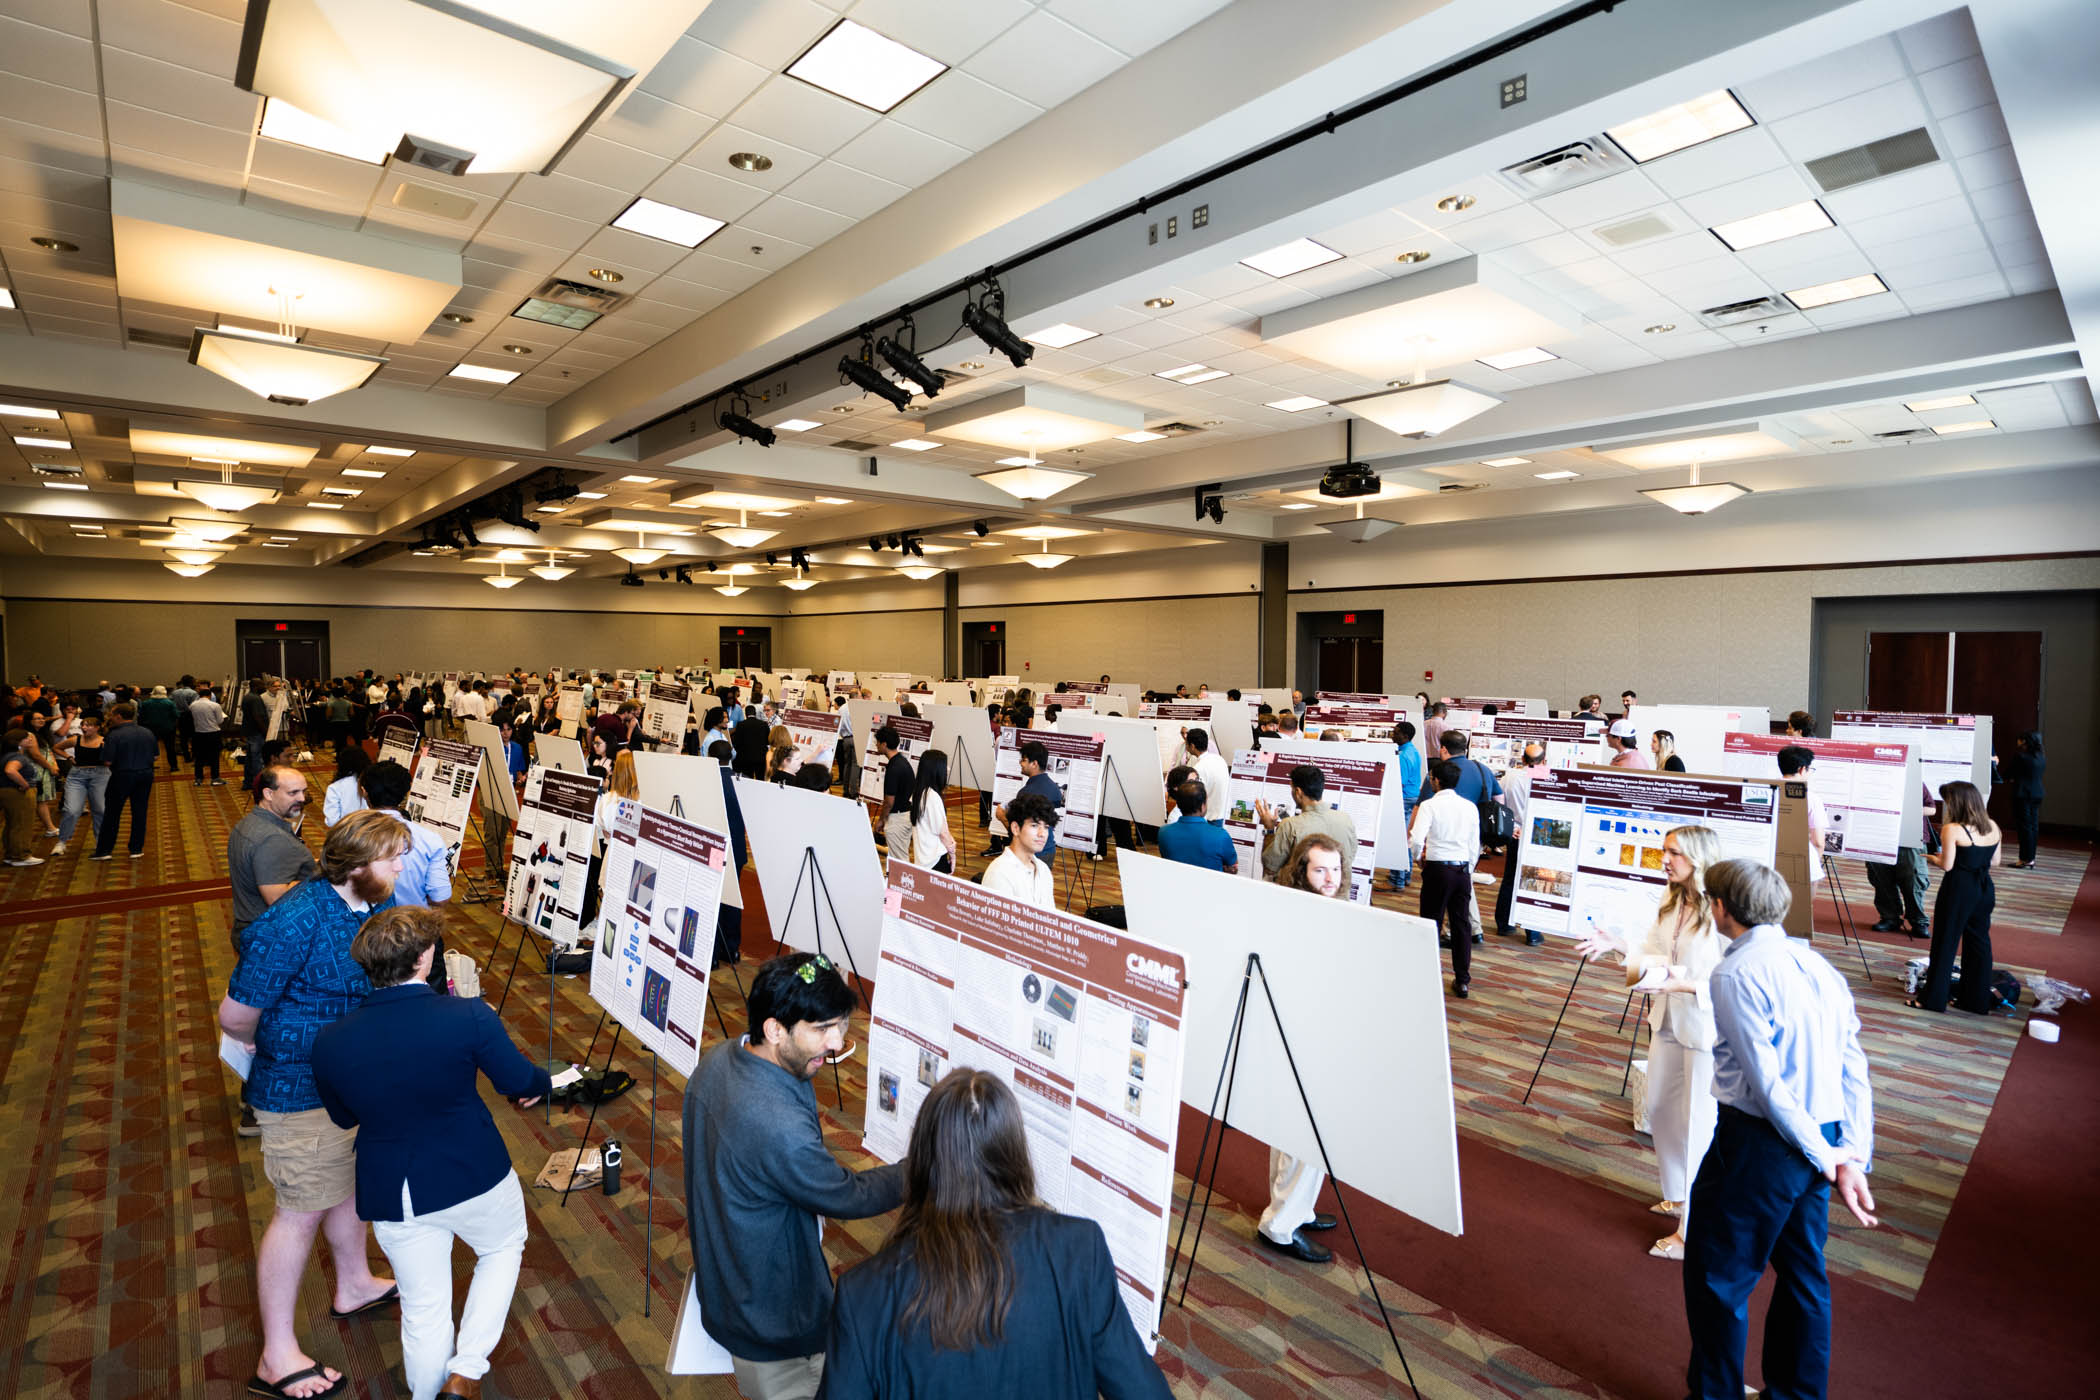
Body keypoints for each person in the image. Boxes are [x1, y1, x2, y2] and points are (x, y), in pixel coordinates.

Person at [311, 906, 549, 1400]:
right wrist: (540, 1085)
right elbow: (518, 1080)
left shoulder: (330, 1041)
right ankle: (466, 1371)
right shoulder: (468, 1015)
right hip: (475, 1173)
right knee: (502, 1249)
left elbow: (343, 1118)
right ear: (425, 958)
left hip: (394, 1191)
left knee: (423, 1308)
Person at [820, 1069, 1170, 1400]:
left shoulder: (862, 1295)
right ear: (1015, 1155)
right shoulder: (1080, 1251)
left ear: (921, 1164)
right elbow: (1141, 1390)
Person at [218, 812, 412, 1400]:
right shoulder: (295, 920)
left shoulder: (369, 904)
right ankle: (276, 1356)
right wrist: (260, 1042)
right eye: (392, 857)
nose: (402, 867)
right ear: (357, 866)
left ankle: (352, 1283)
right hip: (299, 1089)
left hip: (349, 1083)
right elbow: (234, 1015)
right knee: (299, 1210)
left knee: (348, 1185)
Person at [1682, 859, 1876, 1400]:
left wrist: (1835, 1158)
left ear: (1721, 908)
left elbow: (1769, 1089)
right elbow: (1852, 1065)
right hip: (1822, 1137)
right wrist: (1848, 1152)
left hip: (1761, 1144)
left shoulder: (1734, 973)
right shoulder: (1816, 965)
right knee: (1804, 1275)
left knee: (1718, 1278)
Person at [682, 952, 905, 1400]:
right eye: (822, 1029)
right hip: (775, 1331)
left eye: (841, 1025)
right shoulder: (775, 1124)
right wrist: (923, 1167)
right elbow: (846, 1195)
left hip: (731, 1283)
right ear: (774, 1029)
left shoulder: (722, 1057)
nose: (838, 1043)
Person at [1577, 826, 1728, 1259]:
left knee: (1699, 1123)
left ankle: (1691, 1230)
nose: (1663, 859)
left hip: (1705, 1028)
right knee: (1660, 1108)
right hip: (1666, 1020)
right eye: (1664, 851)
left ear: (1698, 858)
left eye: (1672, 853)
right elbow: (1654, 953)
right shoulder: (1671, 900)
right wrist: (1618, 946)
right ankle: (1679, 1192)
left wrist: (1688, 988)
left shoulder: (1721, 910)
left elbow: (1730, 979)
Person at [1256, 832, 1348, 1265]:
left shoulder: (1327, 909)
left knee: (1299, 1135)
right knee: (1304, 1135)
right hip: (1299, 1037)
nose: (1331, 878)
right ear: (1301, 872)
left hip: (1320, 1035)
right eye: (1320, 870)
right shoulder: (1296, 915)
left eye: (1335, 868)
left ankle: (1296, 1207)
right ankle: (1280, 1225)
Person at [1912, 780, 2000, 1014]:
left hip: (1959, 888)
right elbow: (1995, 861)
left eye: (1948, 801)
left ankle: (1932, 1000)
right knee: (1979, 943)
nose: (1946, 806)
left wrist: (1931, 858)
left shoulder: (1952, 829)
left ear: (1957, 803)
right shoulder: (1992, 825)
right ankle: (1975, 1001)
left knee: (1945, 942)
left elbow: (1947, 865)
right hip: (1984, 887)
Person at [1409, 759, 1481, 997]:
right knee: (1461, 925)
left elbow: (1417, 838)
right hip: (1462, 870)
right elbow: (1474, 843)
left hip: (1438, 869)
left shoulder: (1430, 806)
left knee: (1431, 923)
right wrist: (1468, 868)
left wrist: (1417, 857)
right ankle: (1462, 980)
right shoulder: (1470, 807)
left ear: (1436, 780)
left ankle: (1426, 976)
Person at [361, 760, 453, 912]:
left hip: (363, 927)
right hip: (414, 924)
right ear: (405, 794)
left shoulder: (348, 834)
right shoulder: (429, 839)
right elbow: (440, 897)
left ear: (364, 792)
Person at [1256, 764, 1357, 882]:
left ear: (1298, 792)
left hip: (1300, 898)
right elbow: (1349, 857)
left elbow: (1270, 868)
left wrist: (1269, 829)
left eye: (1292, 789)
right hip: (1337, 898)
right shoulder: (1346, 820)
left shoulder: (1290, 825)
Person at [92, 701, 158, 861]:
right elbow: (155, 756)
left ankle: (104, 850)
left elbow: (107, 761)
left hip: (122, 775)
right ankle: (136, 849)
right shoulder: (147, 732)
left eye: (112, 715)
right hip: (145, 775)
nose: (110, 718)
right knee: (140, 812)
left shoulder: (114, 735)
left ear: (119, 716)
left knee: (112, 814)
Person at [1496, 741, 1546, 943]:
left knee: (1510, 877)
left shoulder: (1510, 776)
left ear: (1523, 759)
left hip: (1515, 832)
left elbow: (1499, 802)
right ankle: (1532, 933)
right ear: (1543, 761)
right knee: (1533, 881)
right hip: (1538, 834)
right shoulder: (1545, 776)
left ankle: (1504, 924)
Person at [991, 740, 1063, 866]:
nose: (1020, 763)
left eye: (1024, 760)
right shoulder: (1054, 788)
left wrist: (1002, 817)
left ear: (1034, 764)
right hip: (1048, 850)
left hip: (1031, 853)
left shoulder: (1026, 793)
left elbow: (1018, 833)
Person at [981, 792, 1057, 909]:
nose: (1042, 834)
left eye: (1046, 827)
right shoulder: (999, 873)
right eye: (1034, 826)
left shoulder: (1043, 869)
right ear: (1015, 828)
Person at [52, 712, 108, 857]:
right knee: (71, 810)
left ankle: (100, 842)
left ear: (97, 728)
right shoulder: (75, 740)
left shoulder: (104, 741)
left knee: (100, 809)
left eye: (88, 725)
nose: (84, 727)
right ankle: (62, 842)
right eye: (83, 725)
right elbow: (57, 748)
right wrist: (69, 757)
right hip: (77, 776)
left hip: (100, 776)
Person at [1776, 745, 1828, 896]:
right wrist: (1813, 863)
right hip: (1801, 860)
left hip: (1768, 859)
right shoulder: (1812, 799)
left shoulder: (1766, 789)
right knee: (1802, 910)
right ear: (1801, 769)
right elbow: (1818, 842)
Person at [1154, 780, 1236, 873]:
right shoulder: (1220, 836)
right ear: (1203, 806)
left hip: (1175, 884)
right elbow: (1233, 867)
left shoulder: (1163, 832)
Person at [1384, 719, 1426, 892]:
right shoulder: (1412, 751)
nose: (1392, 734)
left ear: (1405, 736)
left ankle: (1396, 881)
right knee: (1404, 838)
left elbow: (1398, 783)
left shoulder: (1402, 756)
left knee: (1397, 838)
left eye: (1396, 732)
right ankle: (1405, 875)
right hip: (1411, 796)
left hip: (1403, 798)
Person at [871, 725, 915, 870]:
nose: (876, 745)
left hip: (897, 819)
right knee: (898, 857)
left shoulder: (894, 768)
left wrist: (882, 820)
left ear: (884, 744)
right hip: (905, 814)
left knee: (899, 861)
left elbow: (889, 802)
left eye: (877, 742)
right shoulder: (902, 762)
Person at [2, 729, 45, 866]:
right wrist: (25, 784)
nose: (31, 740)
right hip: (17, 793)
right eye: (27, 738)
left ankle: (11, 854)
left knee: (13, 824)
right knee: (22, 824)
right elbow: (10, 770)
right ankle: (21, 856)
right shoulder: (17, 757)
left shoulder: (7, 754)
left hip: (7, 791)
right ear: (18, 742)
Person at [910, 748, 957, 874]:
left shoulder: (919, 793)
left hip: (922, 857)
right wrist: (952, 853)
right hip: (934, 859)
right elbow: (942, 832)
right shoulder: (932, 797)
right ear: (935, 770)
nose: (948, 769)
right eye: (944, 765)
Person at [2003, 731, 2045, 868]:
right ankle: (2031, 858)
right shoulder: (2041, 757)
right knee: (2033, 827)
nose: (2018, 742)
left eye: (2020, 740)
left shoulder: (2020, 756)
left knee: (2024, 828)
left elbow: (2008, 773)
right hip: (2037, 794)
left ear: (2025, 742)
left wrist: (2009, 778)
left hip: (2022, 795)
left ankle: (2024, 859)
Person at [1182, 728, 1229, 821]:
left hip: (1211, 819)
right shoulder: (1220, 759)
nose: (1185, 746)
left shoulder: (1198, 769)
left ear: (1192, 746)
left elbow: (1194, 799)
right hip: (1224, 815)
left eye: (1186, 744)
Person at [190, 682, 228, 785]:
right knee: (214, 756)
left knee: (199, 757)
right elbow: (220, 721)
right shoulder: (215, 705)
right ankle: (215, 778)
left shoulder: (193, 705)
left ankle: (198, 779)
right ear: (210, 695)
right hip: (213, 733)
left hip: (198, 733)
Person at [323, 748, 370, 826]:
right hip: (368, 832)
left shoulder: (335, 787)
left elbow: (332, 821)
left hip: (344, 833)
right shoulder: (371, 782)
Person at [140, 683, 180, 772]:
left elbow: (142, 716)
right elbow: (176, 715)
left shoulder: (146, 703)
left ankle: (149, 766)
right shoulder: (170, 703)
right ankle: (174, 766)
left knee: (150, 748)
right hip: (168, 729)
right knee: (170, 748)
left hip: (150, 729)